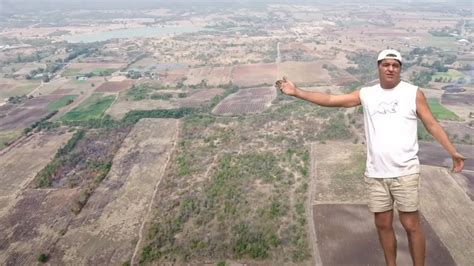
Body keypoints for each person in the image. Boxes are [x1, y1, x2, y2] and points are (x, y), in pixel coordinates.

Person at [275, 49, 466, 266]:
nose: (391, 68)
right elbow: (330, 99)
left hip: (405, 171)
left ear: (400, 69)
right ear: (378, 67)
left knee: (411, 224)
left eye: (395, 65)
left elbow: (431, 124)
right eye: (386, 64)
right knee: (383, 224)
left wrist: (452, 151)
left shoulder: (413, 93)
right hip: (376, 172)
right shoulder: (367, 94)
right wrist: (298, 92)